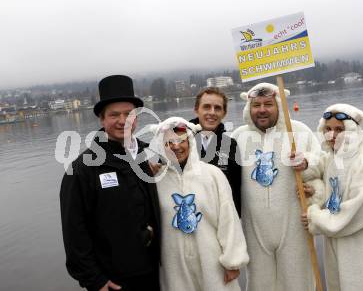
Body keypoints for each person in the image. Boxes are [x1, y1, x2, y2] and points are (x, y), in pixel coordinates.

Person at [60, 75, 160, 291]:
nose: (123, 121)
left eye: (129, 114)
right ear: (101, 120)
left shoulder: (145, 157)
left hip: (153, 272)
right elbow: (74, 232)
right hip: (113, 281)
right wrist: (94, 280)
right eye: (114, 115)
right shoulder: (81, 169)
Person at [231, 82, 321, 291]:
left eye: (268, 104)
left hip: (294, 228)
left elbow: (323, 164)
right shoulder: (237, 137)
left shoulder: (298, 131)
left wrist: (307, 163)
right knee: (260, 284)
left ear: (279, 105)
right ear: (248, 108)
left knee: (298, 282)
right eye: (256, 105)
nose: (262, 109)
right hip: (255, 231)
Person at [300, 103, 363, 291]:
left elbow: (356, 211)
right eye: (327, 129)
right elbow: (322, 168)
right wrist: (306, 165)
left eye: (339, 129)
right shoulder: (336, 155)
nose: (332, 135)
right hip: (338, 246)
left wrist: (315, 217)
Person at [148, 117, 249, 291]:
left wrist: (232, 261)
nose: (176, 147)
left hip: (213, 262)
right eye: (169, 142)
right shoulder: (155, 180)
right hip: (175, 267)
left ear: (190, 141)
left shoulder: (212, 175)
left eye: (181, 141)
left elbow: (229, 219)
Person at [189, 87, 242, 216]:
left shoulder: (230, 145)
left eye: (217, 108)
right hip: (192, 219)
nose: (212, 112)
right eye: (206, 107)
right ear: (197, 110)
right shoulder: (179, 142)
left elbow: (237, 188)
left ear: (224, 113)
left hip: (223, 218)